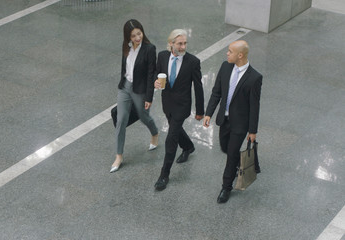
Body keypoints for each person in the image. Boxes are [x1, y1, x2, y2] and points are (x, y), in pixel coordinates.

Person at [203, 40, 262, 203]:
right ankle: (236, 163)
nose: (227, 54)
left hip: (240, 124)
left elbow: (254, 106)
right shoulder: (225, 66)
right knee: (225, 148)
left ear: (240, 55)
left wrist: (252, 130)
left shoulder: (254, 78)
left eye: (230, 51)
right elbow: (216, 92)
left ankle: (226, 187)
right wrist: (209, 113)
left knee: (231, 154)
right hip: (224, 119)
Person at [153, 29, 204, 190]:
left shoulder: (193, 62)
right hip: (167, 103)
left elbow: (198, 87)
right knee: (176, 129)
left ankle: (164, 175)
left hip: (182, 105)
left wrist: (200, 110)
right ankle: (188, 146)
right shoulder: (162, 56)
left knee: (171, 137)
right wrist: (155, 82)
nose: (183, 47)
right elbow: (156, 74)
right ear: (171, 44)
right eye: (179, 43)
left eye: (185, 43)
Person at [110, 19, 159, 173]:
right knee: (121, 119)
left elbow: (151, 74)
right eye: (133, 36)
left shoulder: (149, 49)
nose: (138, 38)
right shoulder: (126, 47)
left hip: (140, 89)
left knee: (144, 117)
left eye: (139, 33)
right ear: (128, 37)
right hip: (125, 87)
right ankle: (119, 155)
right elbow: (124, 67)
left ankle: (155, 133)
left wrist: (149, 97)